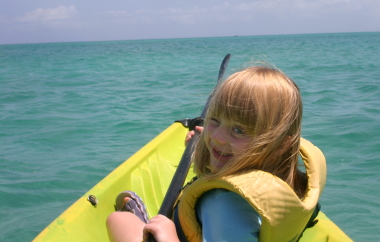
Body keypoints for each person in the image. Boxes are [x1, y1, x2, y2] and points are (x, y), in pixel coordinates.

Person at [106, 65, 326, 242]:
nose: (217, 137)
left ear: (279, 145)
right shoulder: (286, 182)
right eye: (215, 121)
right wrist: (203, 147)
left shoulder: (225, 206)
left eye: (238, 130)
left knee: (117, 219)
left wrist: (169, 238)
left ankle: (139, 218)